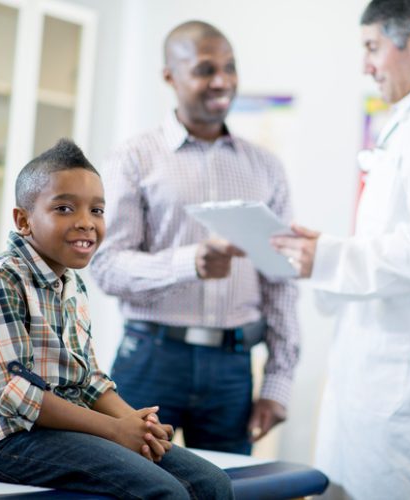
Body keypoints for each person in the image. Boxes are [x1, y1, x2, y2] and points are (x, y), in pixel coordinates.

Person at [272, 0, 410, 498]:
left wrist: (333, 257)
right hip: (385, 387)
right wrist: (331, 253)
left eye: (373, 47)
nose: (366, 65)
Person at [0, 139, 234, 499]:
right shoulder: (1, 278)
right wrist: (114, 431)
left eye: (97, 211)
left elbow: (89, 381)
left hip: (57, 430)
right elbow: (17, 395)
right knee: (162, 492)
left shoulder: (72, 283)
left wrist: (138, 425)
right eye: (64, 208)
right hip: (2, 436)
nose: (86, 223)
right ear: (24, 220)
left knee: (212, 485)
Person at [90, 20, 300, 455]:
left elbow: (281, 278)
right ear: (170, 75)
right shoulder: (133, 157)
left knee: (224, 487)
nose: (221, 80)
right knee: (130, 484)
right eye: (205, 69)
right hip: (150, 357)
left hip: (233, 367)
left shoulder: (267, 168)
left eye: (229, 67)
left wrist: (279, 382)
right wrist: (190, 263)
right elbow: (107, 266)